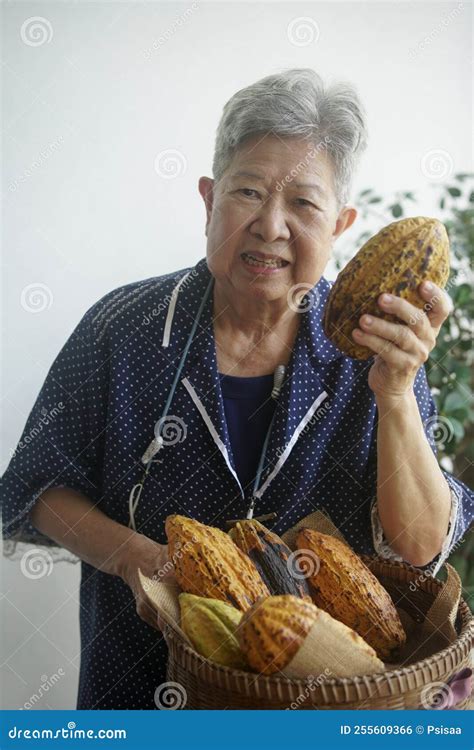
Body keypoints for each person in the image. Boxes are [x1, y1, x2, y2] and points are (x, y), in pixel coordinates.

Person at [2, 69, 472, 710]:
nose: (271, 225)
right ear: (208, 200)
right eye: (248, 191)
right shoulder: (122, 328)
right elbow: (38, 483)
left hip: (328, 701)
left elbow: (419, 549)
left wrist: (395, 393)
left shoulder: (373, 347)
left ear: (340, 224)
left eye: (304, 204)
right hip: (141, 692)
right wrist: (132, 557)